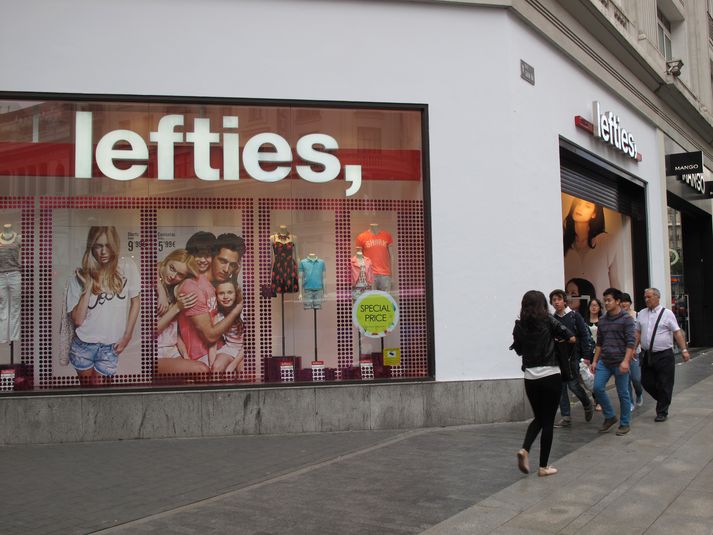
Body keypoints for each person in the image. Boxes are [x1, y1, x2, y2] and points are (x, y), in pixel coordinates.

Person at [510, 290, 575, 477]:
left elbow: (520, 351)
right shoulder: (549, 320)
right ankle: (543, 467)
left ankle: (525, 449)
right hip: (550, 374)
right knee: (548, 421)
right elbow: (570, 336)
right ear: (543, 304)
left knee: (539, 417)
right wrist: (557, 341)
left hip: (530, 377)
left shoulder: (520, 325)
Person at [67, 226, 140, 386]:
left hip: (110, 345)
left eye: (108, 245)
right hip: (83, 345)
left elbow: (136, 302)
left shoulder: (127, 267)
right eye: (98, 246)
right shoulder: (79, 278)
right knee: (88, 392)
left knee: (103, 392)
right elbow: (78, 321)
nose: (103, 251)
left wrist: (127, 335)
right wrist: (87, 287)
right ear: (91, 247)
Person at [176, 232, 245, 370]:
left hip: (222, 349)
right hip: (201, 358)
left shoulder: (217, 285)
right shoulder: (192, 287)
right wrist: (238, 308)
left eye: (231, 265)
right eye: (222, 261)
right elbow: (211, 336)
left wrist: (236, 275)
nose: (226, 269)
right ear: (213, 256)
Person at [635, 287, 690, 422]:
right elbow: (637, 333)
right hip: (647, 354)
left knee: (665, 383)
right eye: (645, 297)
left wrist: (684, 350)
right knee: (646, 382)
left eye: (649, 297)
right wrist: (632, 349)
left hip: (664, 354)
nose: (646, 300)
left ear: (657, 298)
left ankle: (662, 411)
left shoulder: (667, 314)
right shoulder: (641, 313)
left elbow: (677, 332)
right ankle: (663, 399)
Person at [155, 249, 209, 376]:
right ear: (166, 261)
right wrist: (176, 307)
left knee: (195, 378)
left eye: (180, 275)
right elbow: (147, 334)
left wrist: (185, 355)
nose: (173, 276)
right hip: (154, 354)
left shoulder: (175, 290)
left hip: (172, 351)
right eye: (172, 268)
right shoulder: (148, 289)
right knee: (201, 371)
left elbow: (174, 332)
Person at [589, 287, 635, 435]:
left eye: (609, 300)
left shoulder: (627, 319)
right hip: (605, 361)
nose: (606, 303)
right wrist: (595, 361)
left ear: (617, 301)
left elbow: (631, 342)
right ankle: (610, 416)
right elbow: (599, 343)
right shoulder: (602, 320)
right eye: (605, 300)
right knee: (597, 388)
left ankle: (625, 423)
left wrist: (626, 361)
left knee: (623, 393)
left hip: (620, 361)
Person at [549, 289, 594, 428]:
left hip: (573, 356)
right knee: (560, 387)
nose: (556, 302)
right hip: (558, 358)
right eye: (554, 300)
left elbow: (585, 336)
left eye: (558, 299)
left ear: (564, 300)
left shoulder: (575, 316)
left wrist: (586, 356)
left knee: (573, 384)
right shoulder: (553, 319)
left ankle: (587, 403)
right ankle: (566, 416)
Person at [563, 198, 620, 302]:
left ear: (594, 214)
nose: (580, 208)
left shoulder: (605, 241)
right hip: (571, 309)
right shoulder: (563, 243)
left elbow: (614, 279)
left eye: (587, 206)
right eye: (578, 204)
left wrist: (619, 307)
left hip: (599, 309)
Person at [211, 278, 245, 374]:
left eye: (230, 292)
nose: (226, 296)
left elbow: (250, 344)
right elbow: (212, 345)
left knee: (243, 370)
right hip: (229, 349)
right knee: (216, 368)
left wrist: (232, 365)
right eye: (221, 293)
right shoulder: (219, 317)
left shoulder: (244, 313)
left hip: (246, 352)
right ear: (216, 296)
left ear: (236, 294)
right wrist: (211, 365)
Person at [620, 292, 643, 411]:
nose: (624, 304)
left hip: (635, 352)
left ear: (630, 303)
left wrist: (635, 347)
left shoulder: (637, 315)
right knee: (626, 379)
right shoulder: (618, 316)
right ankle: (630, 402)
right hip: (622, 352)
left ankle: (639, 393)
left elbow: (640, 332)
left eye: (626, 301)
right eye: (622, 301)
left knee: (636, 378)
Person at [585, 297, 604, 411]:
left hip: (600, 352)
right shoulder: (584, 321)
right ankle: (596, 399)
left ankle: (599, 401)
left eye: (596, 305)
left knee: (598, 377)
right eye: (591, 305)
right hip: (588, 352)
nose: (593, 307)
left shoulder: (603, 321)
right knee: (590, 377)